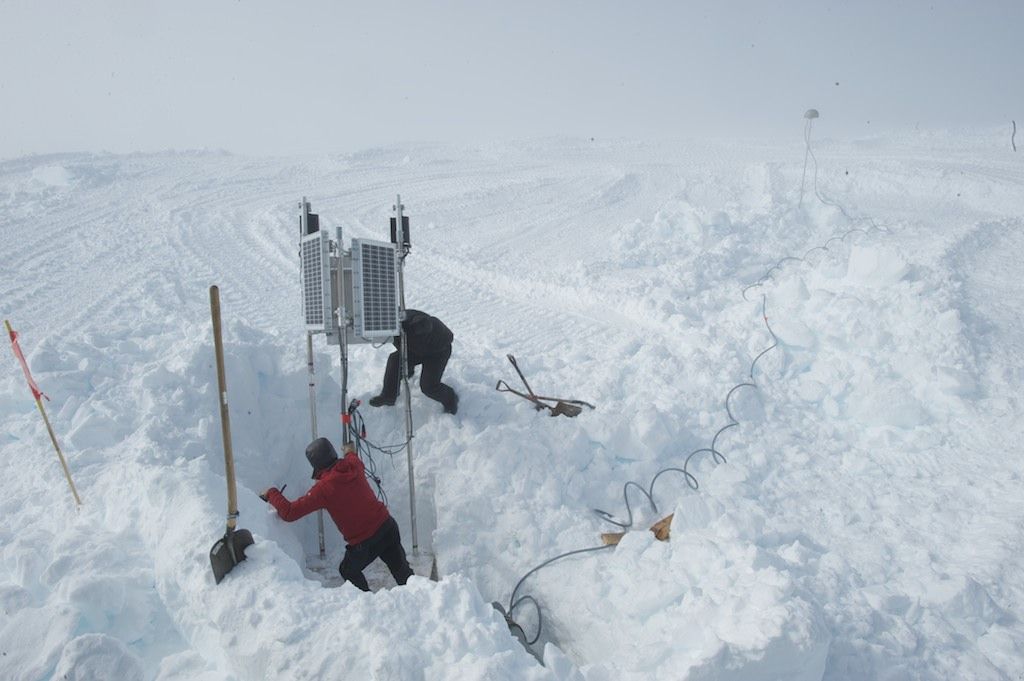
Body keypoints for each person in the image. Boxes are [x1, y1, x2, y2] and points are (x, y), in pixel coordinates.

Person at [261, 437, 413, 592]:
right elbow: (352, 455)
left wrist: (271, 493)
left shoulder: (324, 489)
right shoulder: (353, 465)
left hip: (365, 543)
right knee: (404, 574)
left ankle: (368, 604)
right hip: (387, 527)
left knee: (348, 570)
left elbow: (289, 512)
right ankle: (419, 600)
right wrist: (348, 450)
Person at [369, 309, 459, 414]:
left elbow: (425, 323)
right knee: (395, 360)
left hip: (437, 352)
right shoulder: (391, 330)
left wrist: (420, 327)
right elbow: (402, 348)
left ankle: (450, 398)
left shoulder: (410, 320)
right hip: (416, 349)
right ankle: (388, 396)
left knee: (428, 387)